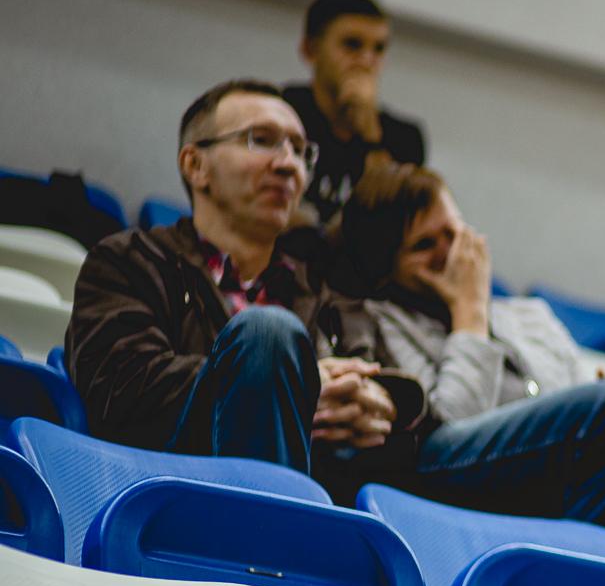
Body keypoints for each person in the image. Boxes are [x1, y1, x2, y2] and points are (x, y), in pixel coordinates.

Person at [333, 161, 605, 559]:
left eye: (454, 234)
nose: (451, 255)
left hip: (578, 457)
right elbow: (452, 425)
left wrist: (592, 394)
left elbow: (582, 396)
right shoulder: (381, 321)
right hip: (481, 471)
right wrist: (470, 313)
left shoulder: (527, 314)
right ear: (385, 266)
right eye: (424, 245)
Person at [67, 79, 416, 470]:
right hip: (176, 484)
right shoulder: (128, 262)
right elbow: (120, 389)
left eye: (300, 151)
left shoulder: (326, 292)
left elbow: (384, 384)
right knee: (268, 331)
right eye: (261, 140)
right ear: (196, 166)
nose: (288, 165)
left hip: (326, 488)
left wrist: (386, 401)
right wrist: (292, 386)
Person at [284, 0, 426, 225]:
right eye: (352, 45)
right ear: (311, 50)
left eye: (378, 49)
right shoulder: (281, 112)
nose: (366, 61)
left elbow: (393, 224)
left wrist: (370, 133)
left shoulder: (404, 138)